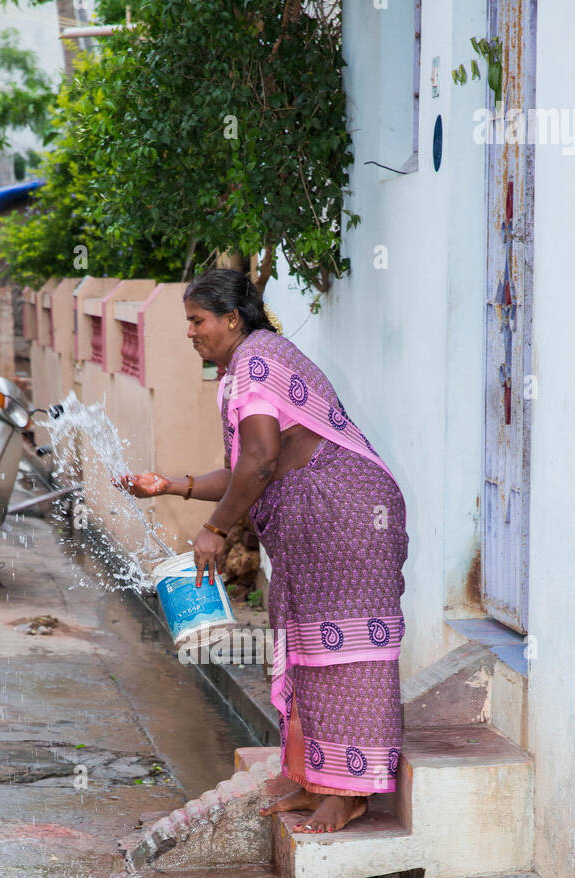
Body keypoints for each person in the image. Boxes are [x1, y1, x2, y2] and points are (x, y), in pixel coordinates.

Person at [119, 268, 408, 834]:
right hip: (320, 523)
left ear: (231, 319)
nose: (190, 333)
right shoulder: (247, 365)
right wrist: (171, 484)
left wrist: (214, 531)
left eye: (196, 321)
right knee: (305, 648)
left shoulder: (255, 361)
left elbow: (260, 463)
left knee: (348, 654)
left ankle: (350, 794)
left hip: (348, 516)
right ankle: (310, 777)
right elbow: (241, 471)